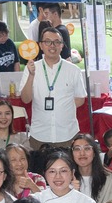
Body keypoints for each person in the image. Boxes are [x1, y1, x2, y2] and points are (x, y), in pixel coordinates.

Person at [17, 26, 86, 161]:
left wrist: (63, 108)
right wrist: (31, 75)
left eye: (57, 42)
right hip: (40, 135)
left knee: (67, 175)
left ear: (62, 46)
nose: (52, 45)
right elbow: (25, 99)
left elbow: (80, 99)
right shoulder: (32, 68)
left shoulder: (73, 70)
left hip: (67, 134)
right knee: (40, 176)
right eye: (48, 41)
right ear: (41, 45)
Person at [68, 132, 112, 203]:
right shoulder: (66, 179)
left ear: (94, 152)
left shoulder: (108, 178)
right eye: (77, 149)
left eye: (87, 148)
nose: (82, 153)